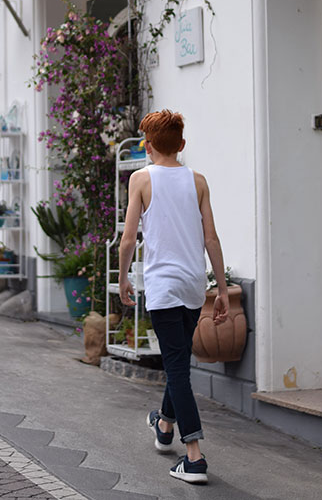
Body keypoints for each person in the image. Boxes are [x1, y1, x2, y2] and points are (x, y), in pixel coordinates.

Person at [117, 110, 228, 485]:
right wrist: (223, 289)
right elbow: (211, 239)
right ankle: (164, 426)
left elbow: (130, 237)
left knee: (177, 368)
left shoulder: (141, 179)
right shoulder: (197, 181)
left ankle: (194, 457)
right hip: (194, 286)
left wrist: (123, 277)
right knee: (179, 360)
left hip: (163, 288)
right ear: (182, 145)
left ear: (147, 147)